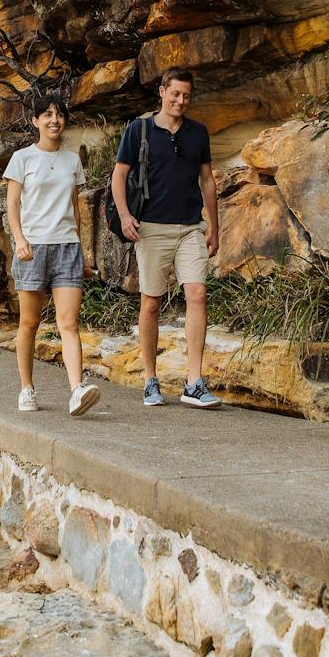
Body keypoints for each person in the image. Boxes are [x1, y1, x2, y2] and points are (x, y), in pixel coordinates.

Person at [111, 68, 223, 409]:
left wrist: (214, 226)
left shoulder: (198, 133)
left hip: (190, 226)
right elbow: (119, 177)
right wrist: (126, 216)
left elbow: (207, 182)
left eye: (186, 95)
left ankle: (193, 382)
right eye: (175, 94)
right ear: (162, 92)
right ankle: (150, 379)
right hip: (151, 227)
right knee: (151, 302)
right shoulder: (139, 129)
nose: (180, 101)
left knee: (197, 293)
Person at [3, 90, 101, 416]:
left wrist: (83, 251)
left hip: (67, 248)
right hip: (32, 248)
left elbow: (75, 206)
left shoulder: (72, 160)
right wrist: (19, 240)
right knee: (29, 324)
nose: (54, 120)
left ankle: (76, 390)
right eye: (47, 114)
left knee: (69, 322)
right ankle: (26, 388)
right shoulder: (22, 159)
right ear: (36, 121)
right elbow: (12, 204)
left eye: (59, 114)